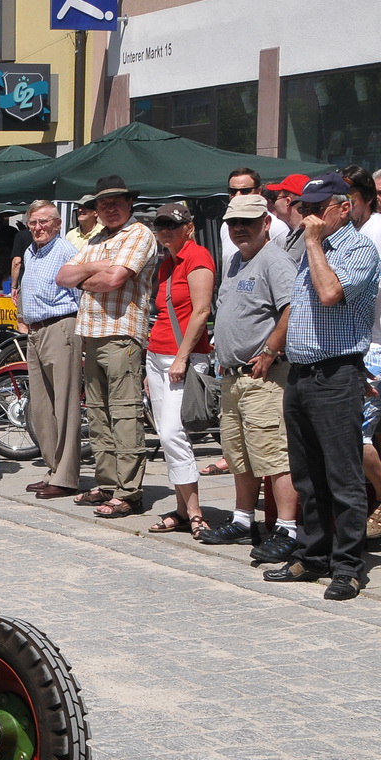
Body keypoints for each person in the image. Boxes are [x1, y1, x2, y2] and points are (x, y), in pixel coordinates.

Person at [262, 172, 381, 601]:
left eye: (317, 209)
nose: (308, 217)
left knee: (343, 476)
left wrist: (312, 242)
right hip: (303, 373)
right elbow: (300, 308)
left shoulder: (357, 249)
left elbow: (330, 294)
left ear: (343, 207)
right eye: (304, 209)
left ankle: (348, 566)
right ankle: (313, 555)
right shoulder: (313, 250)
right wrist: (274, 349)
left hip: (336, 373)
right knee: (307, 474)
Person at [197, 193, 302, 560]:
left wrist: (271, 350)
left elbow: (292, 307)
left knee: (274, 455)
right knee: (239, 454)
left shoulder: (275, 259)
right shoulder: (234, 261)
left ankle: (288, 528)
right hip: (234, 376)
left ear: (266, 223)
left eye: (248, 222)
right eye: (233, 223)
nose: (239, 229)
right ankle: (243, 520)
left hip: (264, 377)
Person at [56, 175, 159, 518]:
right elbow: (62, 277)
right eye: (103, 204)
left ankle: (129, 492)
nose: (110, 208)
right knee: (99, 414)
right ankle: (108, 482)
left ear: (130, 204)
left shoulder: (139, 233)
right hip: (91, 333)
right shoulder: (97, 238)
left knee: (125, 413)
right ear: (95, 211)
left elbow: (115, 279)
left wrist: (87, 274)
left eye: (117, 202)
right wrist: (98, 268)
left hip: (122, 333)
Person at [143, 202, 216, 535]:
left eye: (171, 225)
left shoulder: (198, 256)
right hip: (157, 355)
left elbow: (202, 312)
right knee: (167, 434)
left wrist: (183, 356)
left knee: (174, 433)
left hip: (180, 358)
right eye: (160, 226)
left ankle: (195, 511)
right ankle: (183, 509)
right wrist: (150, 367)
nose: (165, 231)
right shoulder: (166, 263)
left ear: (189, 226)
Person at [341, 165, 381, 540]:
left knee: (357, 431)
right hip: (365, 342)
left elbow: (364, 295)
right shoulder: (362, 230)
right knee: (360, 431)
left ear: (366, 198)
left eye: (348, 200)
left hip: (379, 343)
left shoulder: (377, 233)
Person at [15, 200, 82, 497]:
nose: (38, 228)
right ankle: (53, 468)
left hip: (60, 327)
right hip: (35, 332)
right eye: (33, 223)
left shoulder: (66, 251)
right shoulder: (31, 251)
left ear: (57, 224)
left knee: (65, 406)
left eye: (44, 222)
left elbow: (80, 293)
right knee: (41, 408)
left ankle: (66, 476)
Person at [267, 174, 312, 261]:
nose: (274, 203)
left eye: (276, 198)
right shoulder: (294, 233)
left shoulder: (308, 235)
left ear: (287, 201)